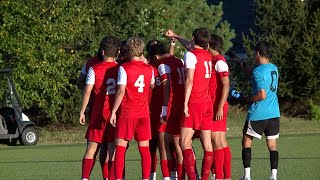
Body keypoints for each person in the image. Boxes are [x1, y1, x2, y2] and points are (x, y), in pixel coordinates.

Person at [109, 37, 155, 180]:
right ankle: (146, 178)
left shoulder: (124, 68)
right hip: (143, 113)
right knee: (145, 149)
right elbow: (151, 86)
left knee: (121, 149)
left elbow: (121, 91)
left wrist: (113, 111)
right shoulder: (149, 69)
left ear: (128, 50)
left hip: (128, 112)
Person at [79, 35, 121, 180]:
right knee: (111, 150)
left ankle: (85, 178)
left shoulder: (95, 68)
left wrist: (82, 111)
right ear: (118, 53)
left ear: (102, 52)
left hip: (98, 113)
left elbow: (87, 91)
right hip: (115, 115)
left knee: (91, 149)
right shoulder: (121, 69)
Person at [239, 41, 280, 180]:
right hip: (274, 113)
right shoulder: (274, 68)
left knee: (246, 141)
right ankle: (273, 176)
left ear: (257, 53)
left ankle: (247, 176)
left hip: (259, 113)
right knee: (272, 145)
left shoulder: (258, 71)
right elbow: (258, 73)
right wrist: (242, 64)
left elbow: (262, 95)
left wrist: (249, 100)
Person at [180, 28, 213, 180]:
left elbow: (189, 80)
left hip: (195, 102)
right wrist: (175, 36)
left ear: (193, 38)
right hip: (207, 103)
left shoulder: (190, 55)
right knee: (207, 145)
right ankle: (205, 178)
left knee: (184, 142)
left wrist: (185, 103)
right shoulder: (208, 55)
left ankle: (193, 178)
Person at [157, 39, 186, 180]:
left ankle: (168, 177)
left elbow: (167, 86)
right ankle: (181, 175)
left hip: (172, 105)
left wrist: (163, 109)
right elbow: (171, 57)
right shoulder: (179, 61)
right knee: (179, 143)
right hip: (182, 104)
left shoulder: (163, 65)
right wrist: (173, 45)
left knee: (164, 144)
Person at [208, 34, 232, 180]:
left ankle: (221, 176)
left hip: (218, 106)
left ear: (209, 45)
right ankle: (225, 176)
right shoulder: (212, 60)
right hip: (215, 105)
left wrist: (219, 107)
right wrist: (176, 36)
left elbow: (226, 85)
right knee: (220, 141)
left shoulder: (219, 61)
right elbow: (191, 46)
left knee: (217, 141)